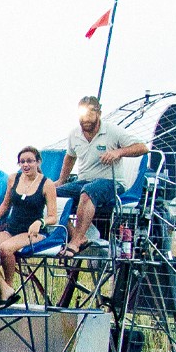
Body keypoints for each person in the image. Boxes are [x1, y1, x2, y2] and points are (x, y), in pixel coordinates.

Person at [55, 96, 148, 255]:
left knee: (88, 192)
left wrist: (118, 152)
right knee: (50, 194)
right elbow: (70, 157)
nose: (86, 120)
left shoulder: (112, 130)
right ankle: (76, 234)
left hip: (111, 182)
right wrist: (61, 180)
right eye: (83, 116)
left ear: (99, 113)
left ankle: (76, 240)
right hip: (83, 180)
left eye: (91, 113)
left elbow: (142, 147)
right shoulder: (74, 134)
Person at [0, 146, 59, 308]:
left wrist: (40, 222)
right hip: (11, 228)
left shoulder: (47, 183)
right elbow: (5, 204)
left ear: (38, 162)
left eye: (30, 161)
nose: (26, 165)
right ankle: (5, 288)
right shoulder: (13, 178)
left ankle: (8, 287)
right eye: (22, 162)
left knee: (6, 248)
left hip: (33, 232)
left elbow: (53, 217)